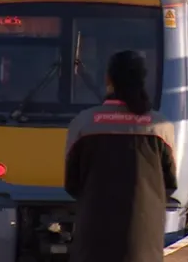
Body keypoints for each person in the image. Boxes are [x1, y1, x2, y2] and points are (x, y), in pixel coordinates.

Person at [64, 50, 177, 262]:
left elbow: (72, 184)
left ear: (108, 79)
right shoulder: (160, 127)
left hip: (93, 238)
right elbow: (169, 183)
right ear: (143, 79)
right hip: (144, 241)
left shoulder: (83, 123)